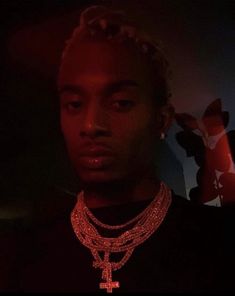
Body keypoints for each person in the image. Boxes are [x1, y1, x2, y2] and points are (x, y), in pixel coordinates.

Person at [1, 4, 234, 293]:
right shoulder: (22, 254)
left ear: (160, 119)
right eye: (74, 104)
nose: (90, 125)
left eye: (121, 103)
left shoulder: (216, 243)